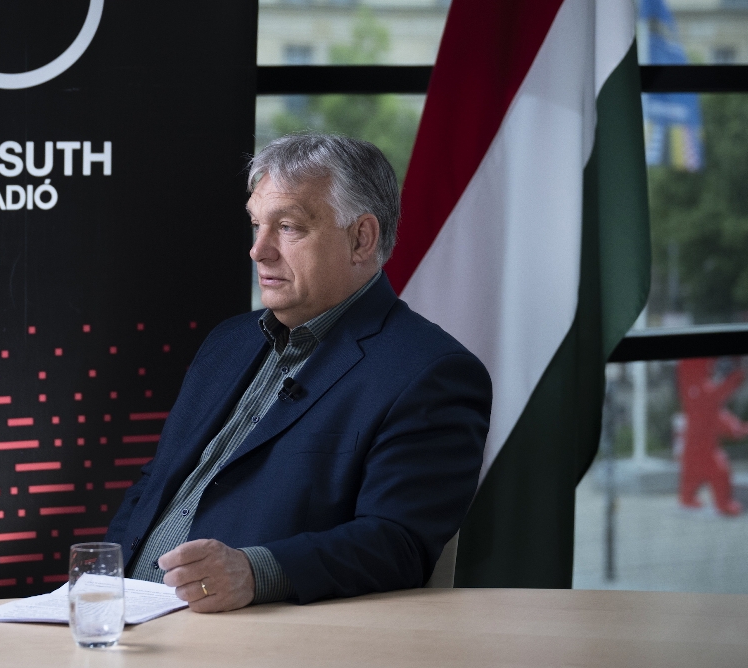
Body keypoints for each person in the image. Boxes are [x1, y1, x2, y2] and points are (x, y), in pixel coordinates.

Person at [106, 133, 492, 611]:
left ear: (361, 238)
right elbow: (154, 483)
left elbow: (398, 543)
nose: (258, 250)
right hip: (124, 616)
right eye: (256, 225)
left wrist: (255, 573)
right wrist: (101, 584)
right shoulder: (227, 342)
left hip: (253, 629)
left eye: (288, 227)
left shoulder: (432, 373)